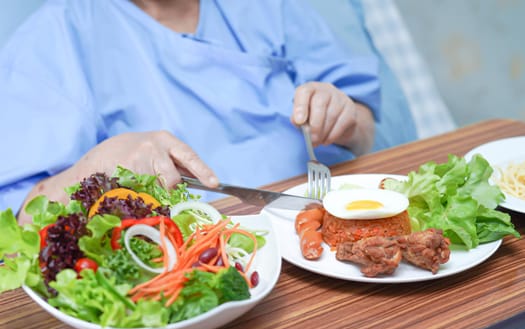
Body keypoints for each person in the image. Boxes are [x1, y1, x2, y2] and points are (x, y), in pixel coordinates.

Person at [0, 0, 418, 225]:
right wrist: (93, 167)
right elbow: (19, 221)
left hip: (328, 222)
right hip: (199, 266)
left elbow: (364, 130)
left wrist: (345, 118)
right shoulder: (57, 35)